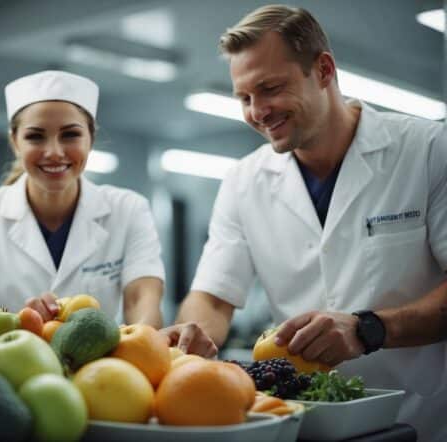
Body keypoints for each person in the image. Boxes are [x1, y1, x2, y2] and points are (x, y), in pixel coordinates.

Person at [162, 5, 447, 439]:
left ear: (324, 69)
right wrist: (193, 332)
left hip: (423, 418)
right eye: (243, 97)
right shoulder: (242, 182)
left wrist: (370, 328)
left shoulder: (427, 150)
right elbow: (215, 297)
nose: (258, 111)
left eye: (270, 87)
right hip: (307, 421)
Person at [0, 71, 165, 327]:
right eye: (35, 136)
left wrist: (142, 340)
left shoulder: (128, 209)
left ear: (91, 139)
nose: (54, 152)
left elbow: (142, 300)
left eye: (70, 135)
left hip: (102, 366)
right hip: (9, 364)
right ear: (15, 141)